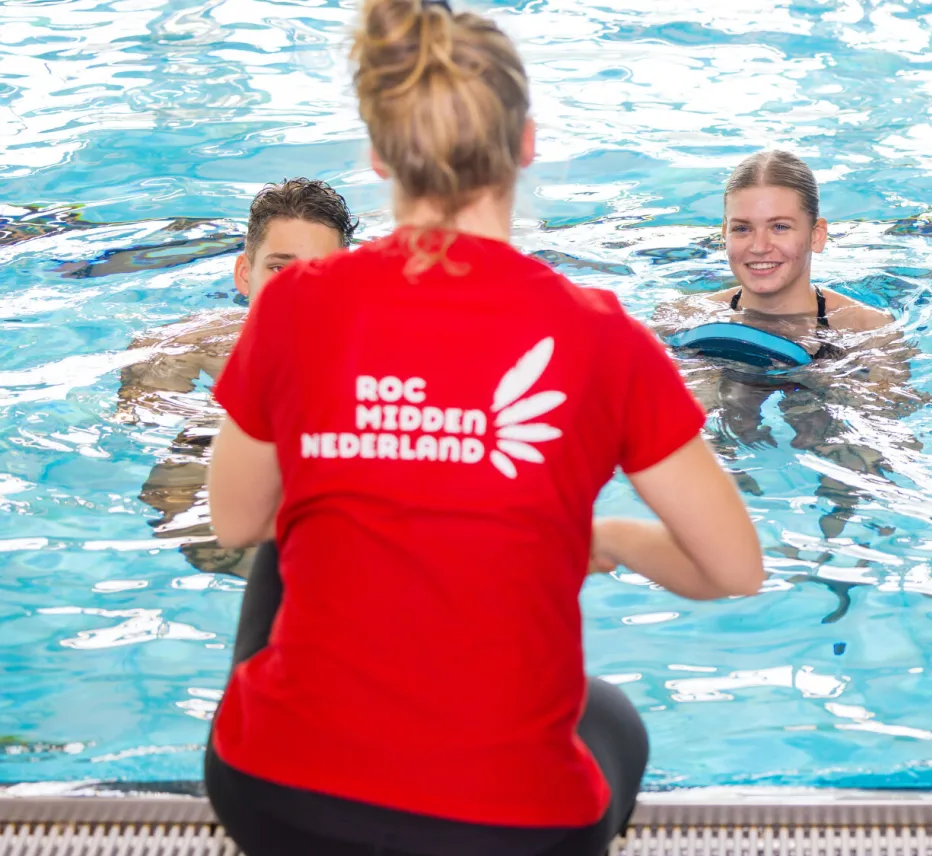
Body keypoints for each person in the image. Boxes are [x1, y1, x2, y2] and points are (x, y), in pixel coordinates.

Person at [202, 2, 763, 855]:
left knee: (291, 532)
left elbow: (236, 522)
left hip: (276, 795)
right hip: (510, 832)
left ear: (381, 155)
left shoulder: (292, 307)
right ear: (527, 142)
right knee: (611, 718)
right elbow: (732, 569)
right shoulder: (601, 334)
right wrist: (603, 532)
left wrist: (378, 459)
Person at [654, 150, 924, 543]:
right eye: (742, 228)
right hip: (720, 416)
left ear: (817, 235)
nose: (760, 246)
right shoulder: (682, 319)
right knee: (699, 415)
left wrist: (823, 383)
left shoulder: (867, 328)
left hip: (825, 373)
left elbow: (893, 421)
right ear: (723, 234)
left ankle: (833, 548)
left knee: (849, 448)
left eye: (780, 227)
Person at [117, 178, 356, 577]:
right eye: (280, 267)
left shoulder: (380, 351)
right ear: (245, 274)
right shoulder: (188, 344)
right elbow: (140, 431)